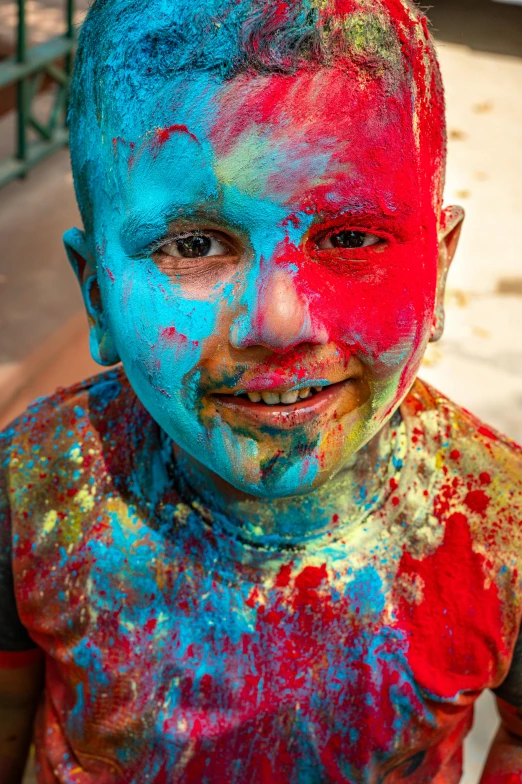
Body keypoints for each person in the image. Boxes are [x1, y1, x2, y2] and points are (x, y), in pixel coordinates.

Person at [1, 0, 521, 781]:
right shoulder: (31, 490)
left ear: (439, 269)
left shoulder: (499, 531)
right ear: (98, 294)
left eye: (349, 237)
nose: (278, 322)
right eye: (194, 244)